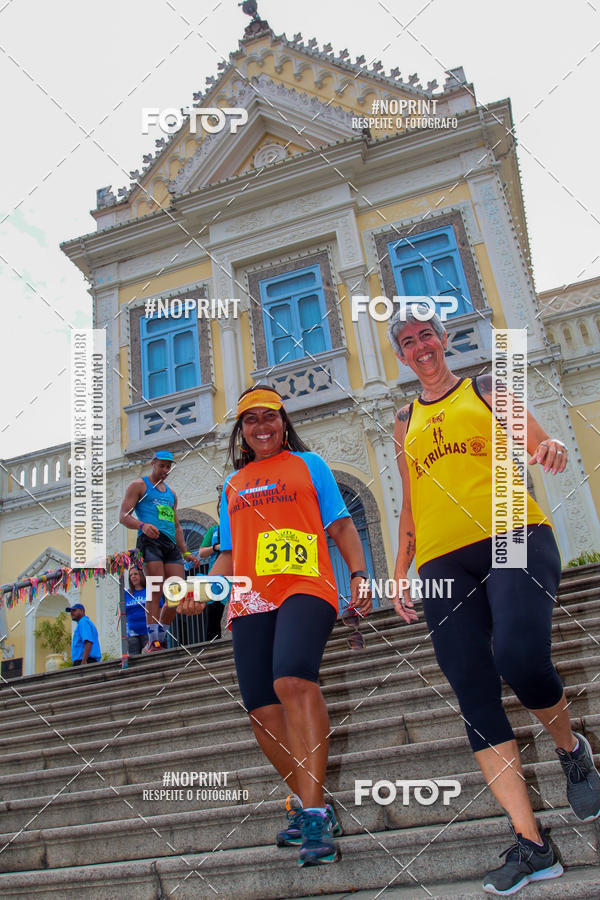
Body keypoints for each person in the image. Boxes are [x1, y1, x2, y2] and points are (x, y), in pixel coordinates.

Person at [388, 308, 600, 896]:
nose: (420, 346)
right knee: (473, 691)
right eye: (408, 341)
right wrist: (400, 570)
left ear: (443, 339)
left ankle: (571, 749)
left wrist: (550, 447)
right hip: (440, 560)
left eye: (426, 334)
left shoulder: (484, 387)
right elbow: (411, 502)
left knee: (520, 656)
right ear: (401, 355)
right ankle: (532, 845)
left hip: (512, 532)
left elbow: (537, 439)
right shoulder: (404, 419)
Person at [179, 385, 372, 867]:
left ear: (284, 423)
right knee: (262, 711)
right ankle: (314, 807)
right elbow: (228, 554)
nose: (261, 425)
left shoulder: (311, 466)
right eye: (251, 419)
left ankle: (313, 811)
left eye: (270, 416)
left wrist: (359, 574)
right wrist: (201, 590)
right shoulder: (233, 484)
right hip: (250, 596)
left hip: (306, 584)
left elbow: (341, 526)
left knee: (292, 679)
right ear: (241, 431)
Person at [119, 450, 200, 652]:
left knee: (176, 593)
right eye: (162, 465)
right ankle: (153, 640)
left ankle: (159, 638)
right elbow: (123, 516)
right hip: (149, 541)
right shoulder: (139, 485)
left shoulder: (171, 494)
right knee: (155, 588)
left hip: (170, 544)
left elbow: (177, 526)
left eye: (168, 467)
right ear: (153, 463)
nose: (165, 470)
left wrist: (186, 552)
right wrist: (142, 525)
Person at [196, 485, 226, 641]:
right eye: (220, 506)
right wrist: (215, 547)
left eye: (224, 505)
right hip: (216, 576)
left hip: (237, 575)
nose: (222, 509)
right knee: (213, 615)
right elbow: (201, 552)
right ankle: (212, 645)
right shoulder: (213, 530)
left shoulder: (238, 526)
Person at [124, 567, 148, 656]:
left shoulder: (149, 591)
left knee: (149, 658)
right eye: (131, 575)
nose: (133, 577)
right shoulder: (126, 594)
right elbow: (123, 613)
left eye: (135, 574)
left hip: (148, 631)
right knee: (134, 660)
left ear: (141, 575)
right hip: (132, 633)